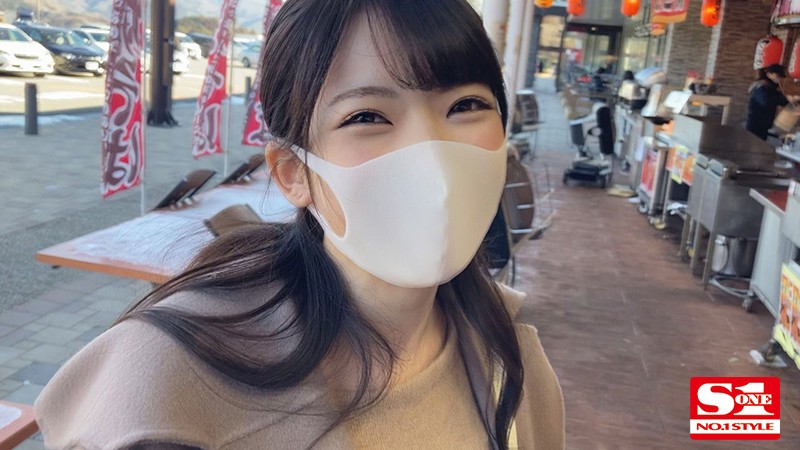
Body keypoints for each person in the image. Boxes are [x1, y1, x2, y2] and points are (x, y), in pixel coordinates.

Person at [34, 0, 565, 449]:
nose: (434, 155)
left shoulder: (510, 354)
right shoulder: (171, 379)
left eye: (467, 105)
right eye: (367, 116)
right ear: (294, 174)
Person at [746, 64, 789, 140]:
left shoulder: (770, 87)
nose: (779, 78)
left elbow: (780, 99)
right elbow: (765, 101)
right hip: (756, 124)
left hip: (764, 125)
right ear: (769, 74)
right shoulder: (761, 86)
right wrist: (787, 99)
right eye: (778, 75)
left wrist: (791, 100)